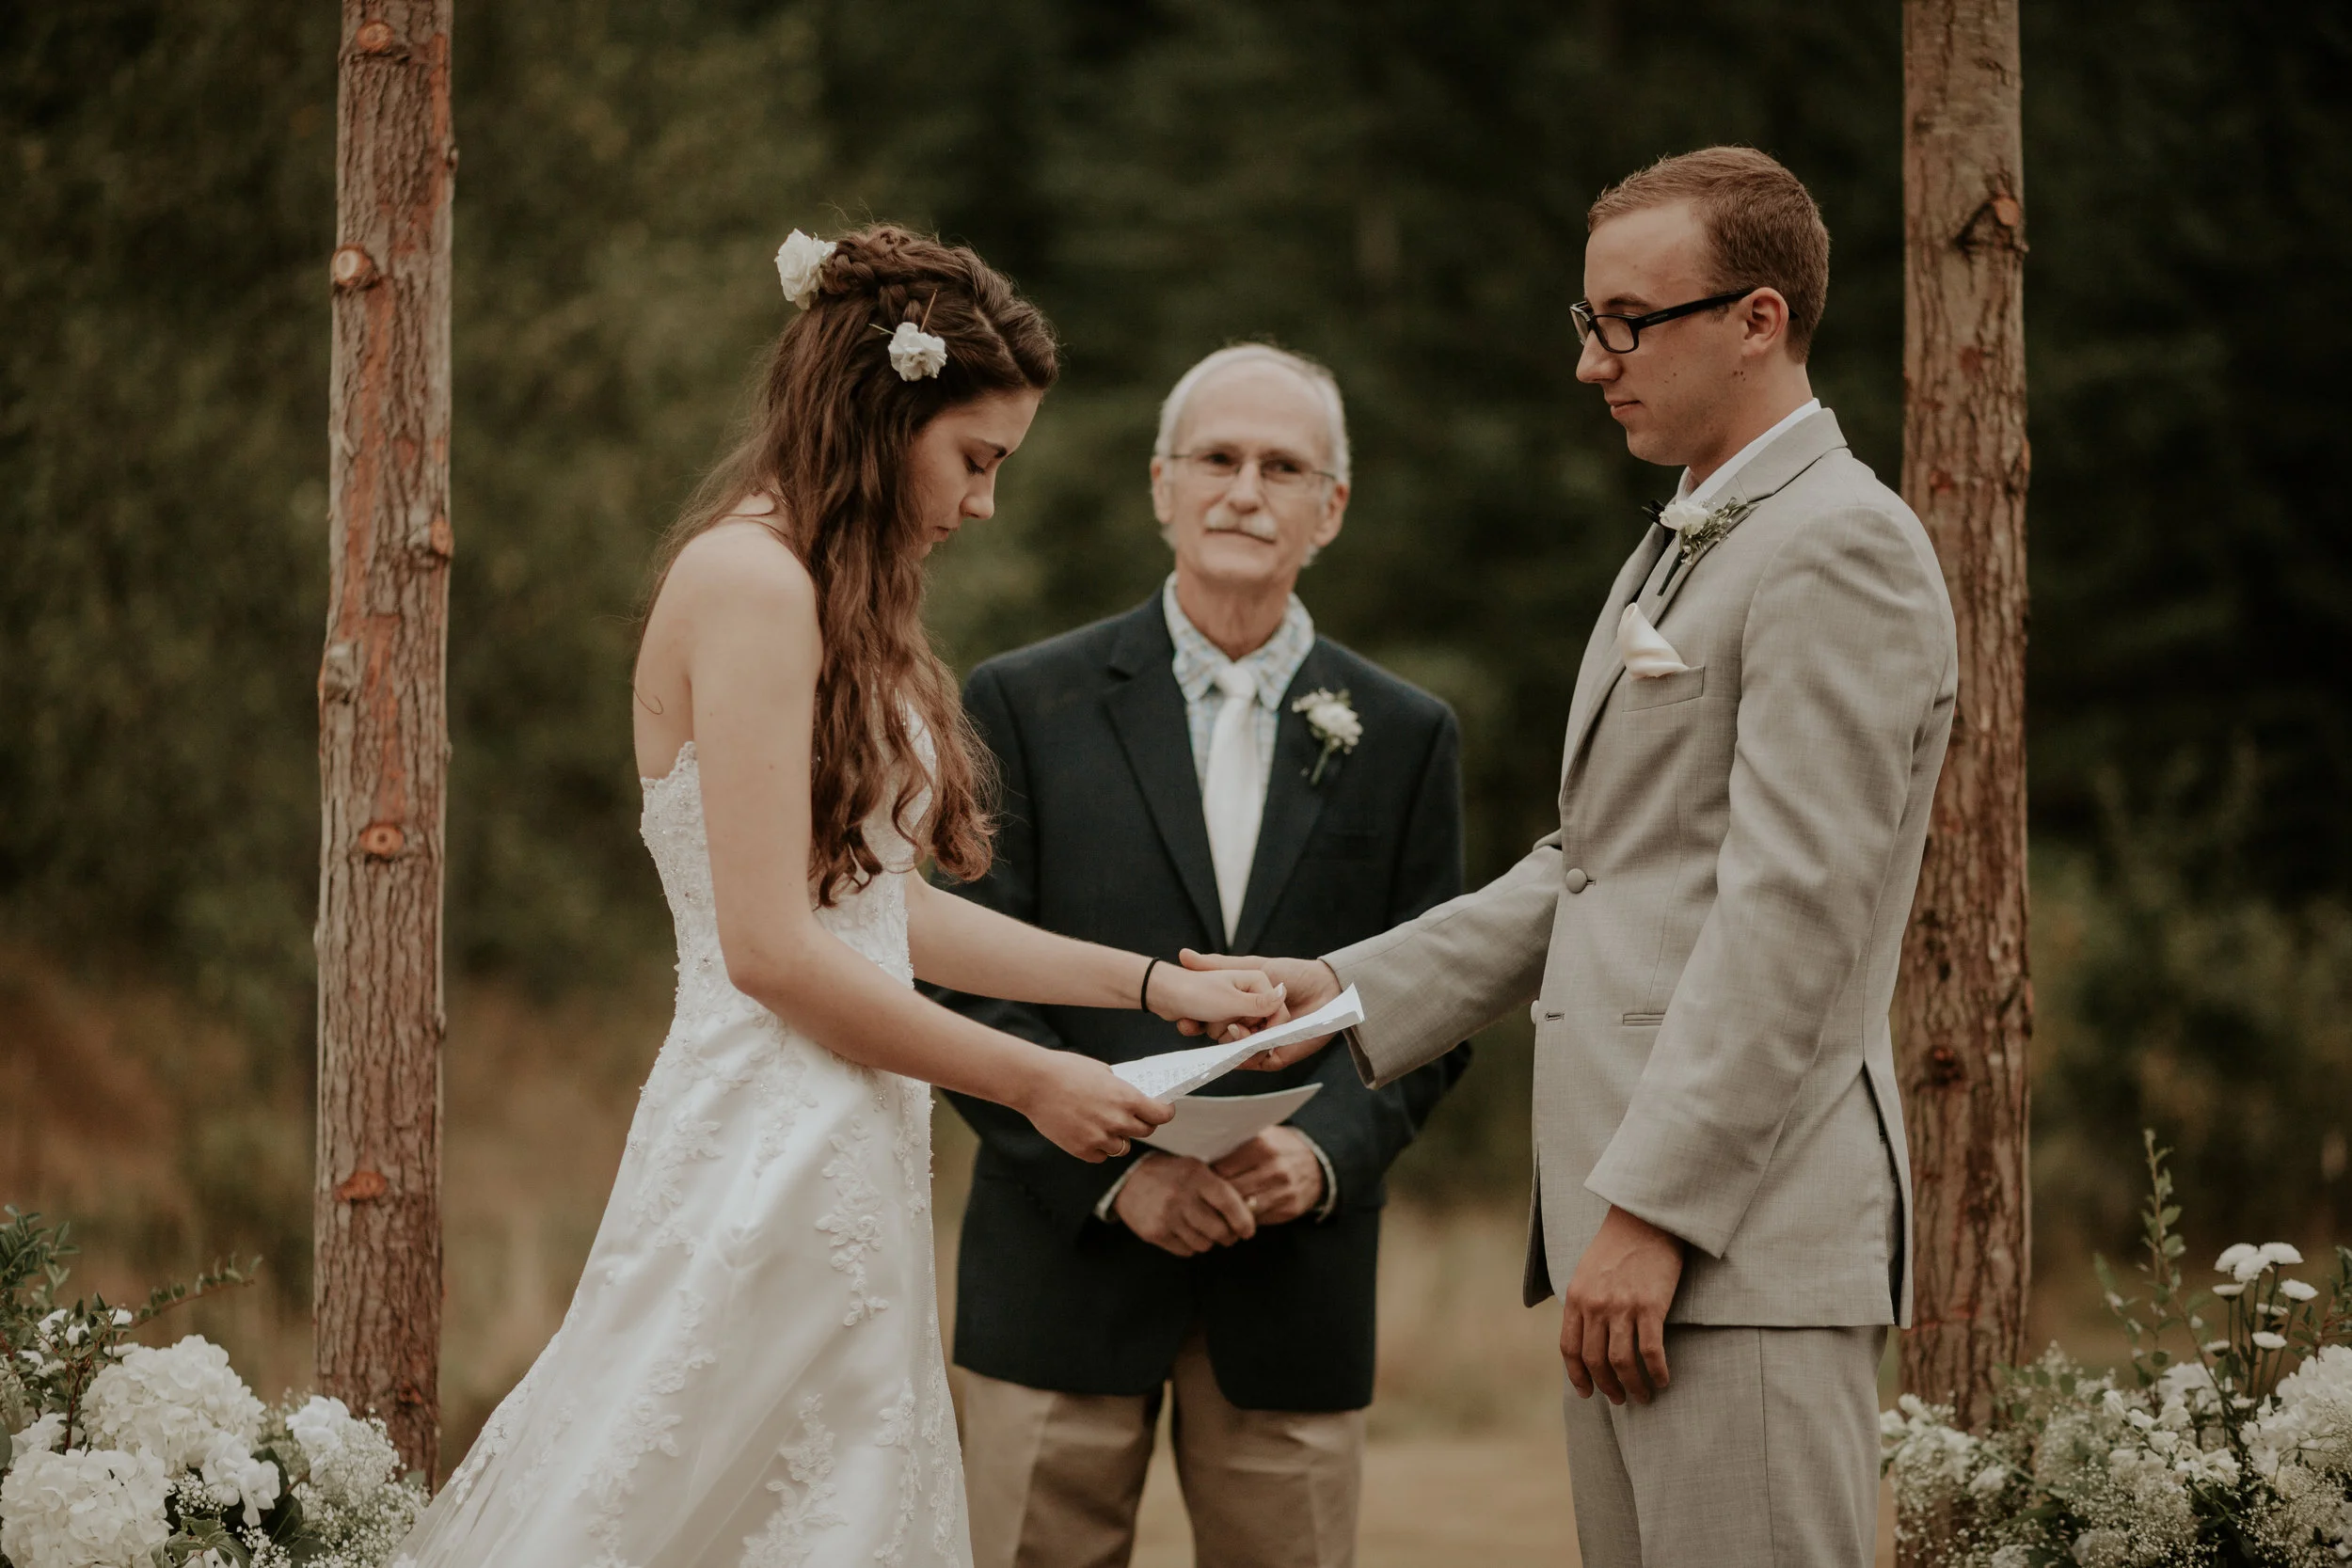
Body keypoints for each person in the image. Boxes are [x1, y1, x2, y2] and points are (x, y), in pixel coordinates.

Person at [389, 226, 1283, 1568]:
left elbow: (881, 911)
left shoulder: (831, 589)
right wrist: (1034, 1083)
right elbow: (772, 949)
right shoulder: (750, 583)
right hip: (762, 1127)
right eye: (976, 460)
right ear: (887, 410)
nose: (985, 504)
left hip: (848, 1131)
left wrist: (1152, 983)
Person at [1193, 148, 1960, 1566]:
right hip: (1642, 1235)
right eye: (1587, 321)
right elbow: (1599, 864)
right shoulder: (1681, 540)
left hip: (1738, 1237)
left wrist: (1654, 1211)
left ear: (1759, 319)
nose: (1594, 362)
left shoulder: (1841, 547)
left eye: (1628, 321)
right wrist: (1341, 991)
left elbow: (1792, 920)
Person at [932, 343, 1470, 1568]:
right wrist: (1121, 1175)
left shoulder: (1405, 734)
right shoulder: (1021, 700)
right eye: (1216, 459)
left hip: (1296, 1282)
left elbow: (1437, 998)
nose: (1244, 489)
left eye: (1282, 466)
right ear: (1160, 484)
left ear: (1330, 506)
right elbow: (962, 975)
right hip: (1062, 1260)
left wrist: (1322, 1153)